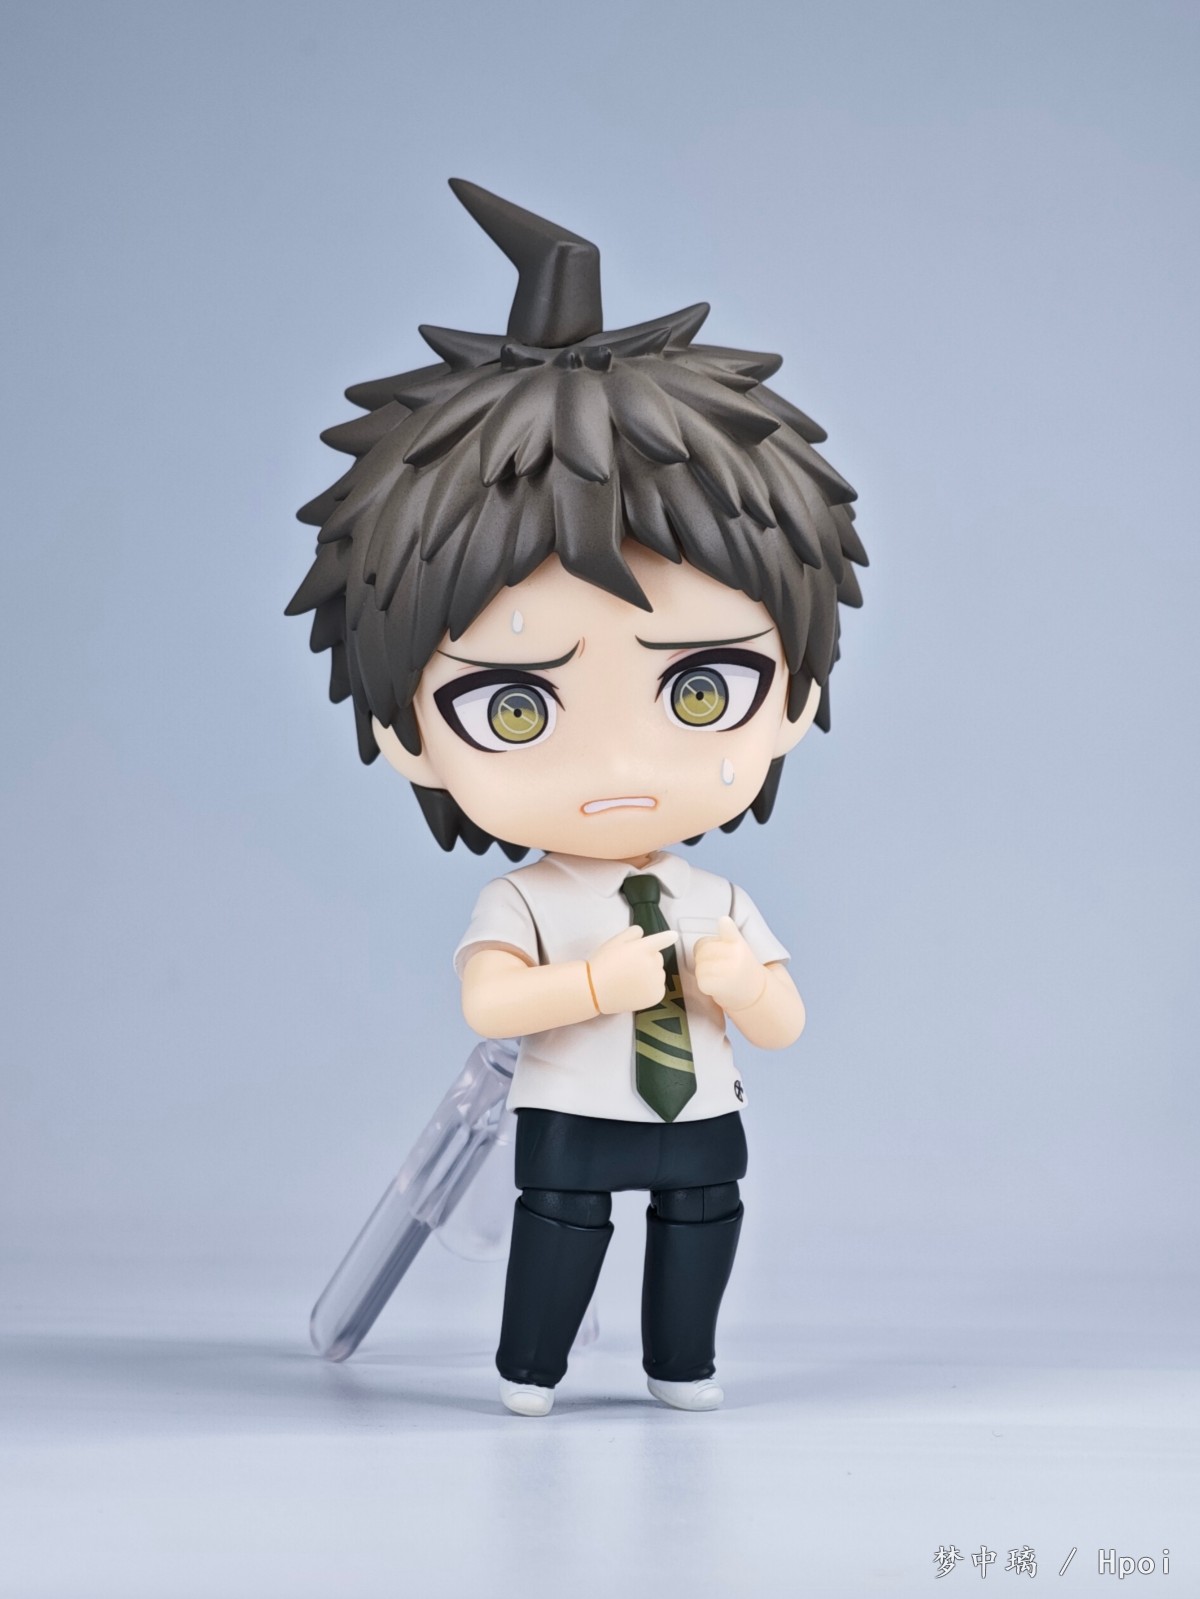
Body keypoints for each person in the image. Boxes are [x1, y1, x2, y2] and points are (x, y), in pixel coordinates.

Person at [289, 179, 867, 1416]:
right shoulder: (528, 898)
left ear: (796, 698)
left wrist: (740, 983)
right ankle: (532, 1366)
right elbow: (489, 998)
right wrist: (595, 986)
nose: (617, 768)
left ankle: (682, 1364)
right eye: (516, 708)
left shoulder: (711, 899)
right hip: (571, 1105)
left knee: (703, 1220)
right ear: (406, 735)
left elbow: (784, 1025)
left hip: (698, 1106)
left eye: (701, 691)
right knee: (563, 1224)